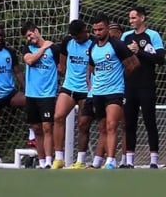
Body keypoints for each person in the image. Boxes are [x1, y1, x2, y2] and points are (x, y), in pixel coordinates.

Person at [88, 14, 140, 169]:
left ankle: (111, 160)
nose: (98, 33)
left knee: (112, 125)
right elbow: (91, 66)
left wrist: (121, 77)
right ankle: (100, 160)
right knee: (103, 127)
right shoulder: (93, 46)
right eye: (95, 30)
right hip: (98, 92)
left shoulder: (117, 44)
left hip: (115, 91)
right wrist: (89, 82)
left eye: (101, 29)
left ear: (107, 28)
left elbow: (134, 64)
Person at [120, 6, 166, 168]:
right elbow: (119, 57)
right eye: (130, 18)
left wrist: (139, 51)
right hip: (129, 86)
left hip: (147, 86)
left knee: (149, 122)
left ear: (142, 18)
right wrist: (127, 51)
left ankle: (154, 160)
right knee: (129, 123)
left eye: (133, 18)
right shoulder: (125, 36)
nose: (131, 21)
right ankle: (129, 161)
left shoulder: (152, 35)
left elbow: (160, 59)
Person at [53, 19, 95, 169]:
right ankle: (58, 158)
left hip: (86, 90)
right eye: (74, 37)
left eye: (79, 36)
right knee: (58, 117)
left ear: (85, 30)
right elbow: (62, 65)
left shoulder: (94, 43)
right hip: (69, 87)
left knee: (83, 124)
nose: (77, 39)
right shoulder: (67, 42)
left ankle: (80, 160)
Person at [21, 22, 62, 168]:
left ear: (37, 31)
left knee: (47, 127)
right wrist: (44, 48)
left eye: (30, 34)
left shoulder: (55, 49)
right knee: (36, 129)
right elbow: (30, 60)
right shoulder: (28, 48)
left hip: (47, 94)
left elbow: (61, 67)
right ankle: (42, 160)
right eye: (27, 36)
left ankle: (49, 161)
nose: (29, 38)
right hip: (31, 94)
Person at [0, 23, 24, 169]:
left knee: (32, 100)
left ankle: (33, 136)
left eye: (1, 35)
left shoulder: (9, 52)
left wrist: (27, 88)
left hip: (10, 93)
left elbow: (18, 72)